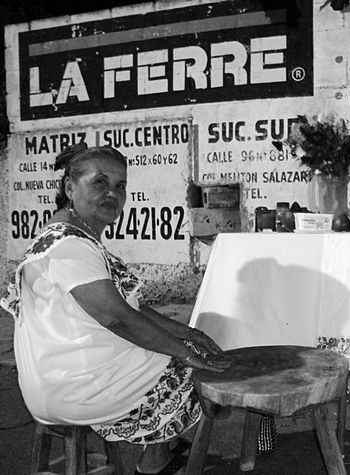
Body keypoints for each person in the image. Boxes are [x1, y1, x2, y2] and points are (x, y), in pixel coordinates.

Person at [0, 143, 230, 475]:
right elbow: (116, 317)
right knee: (199, 372)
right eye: (100, 182)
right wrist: (185, 352)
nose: (113, 193)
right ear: (69, 187)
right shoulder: (70, 246)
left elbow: (129, 306)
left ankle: (164, 444)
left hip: (63, 374)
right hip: (73, 385)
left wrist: (189, 333)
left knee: (187, 348)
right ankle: (155, 461)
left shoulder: (69, 234)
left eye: (120, 185)